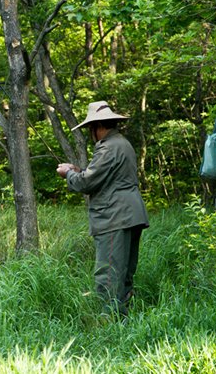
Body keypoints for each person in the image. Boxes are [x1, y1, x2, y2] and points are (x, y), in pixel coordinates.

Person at [56, 101, 149, 317]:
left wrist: (68, 174)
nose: (91, 133)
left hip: (114, 217)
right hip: (131, 214)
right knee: (124, 272)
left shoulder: (108, 147)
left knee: (108, 274)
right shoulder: (122, 143)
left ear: (97, 127)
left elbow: (86, 184)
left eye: (90, 129)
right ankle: (123, 321)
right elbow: (105, 176)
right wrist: (78, 170)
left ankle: (109, 324)